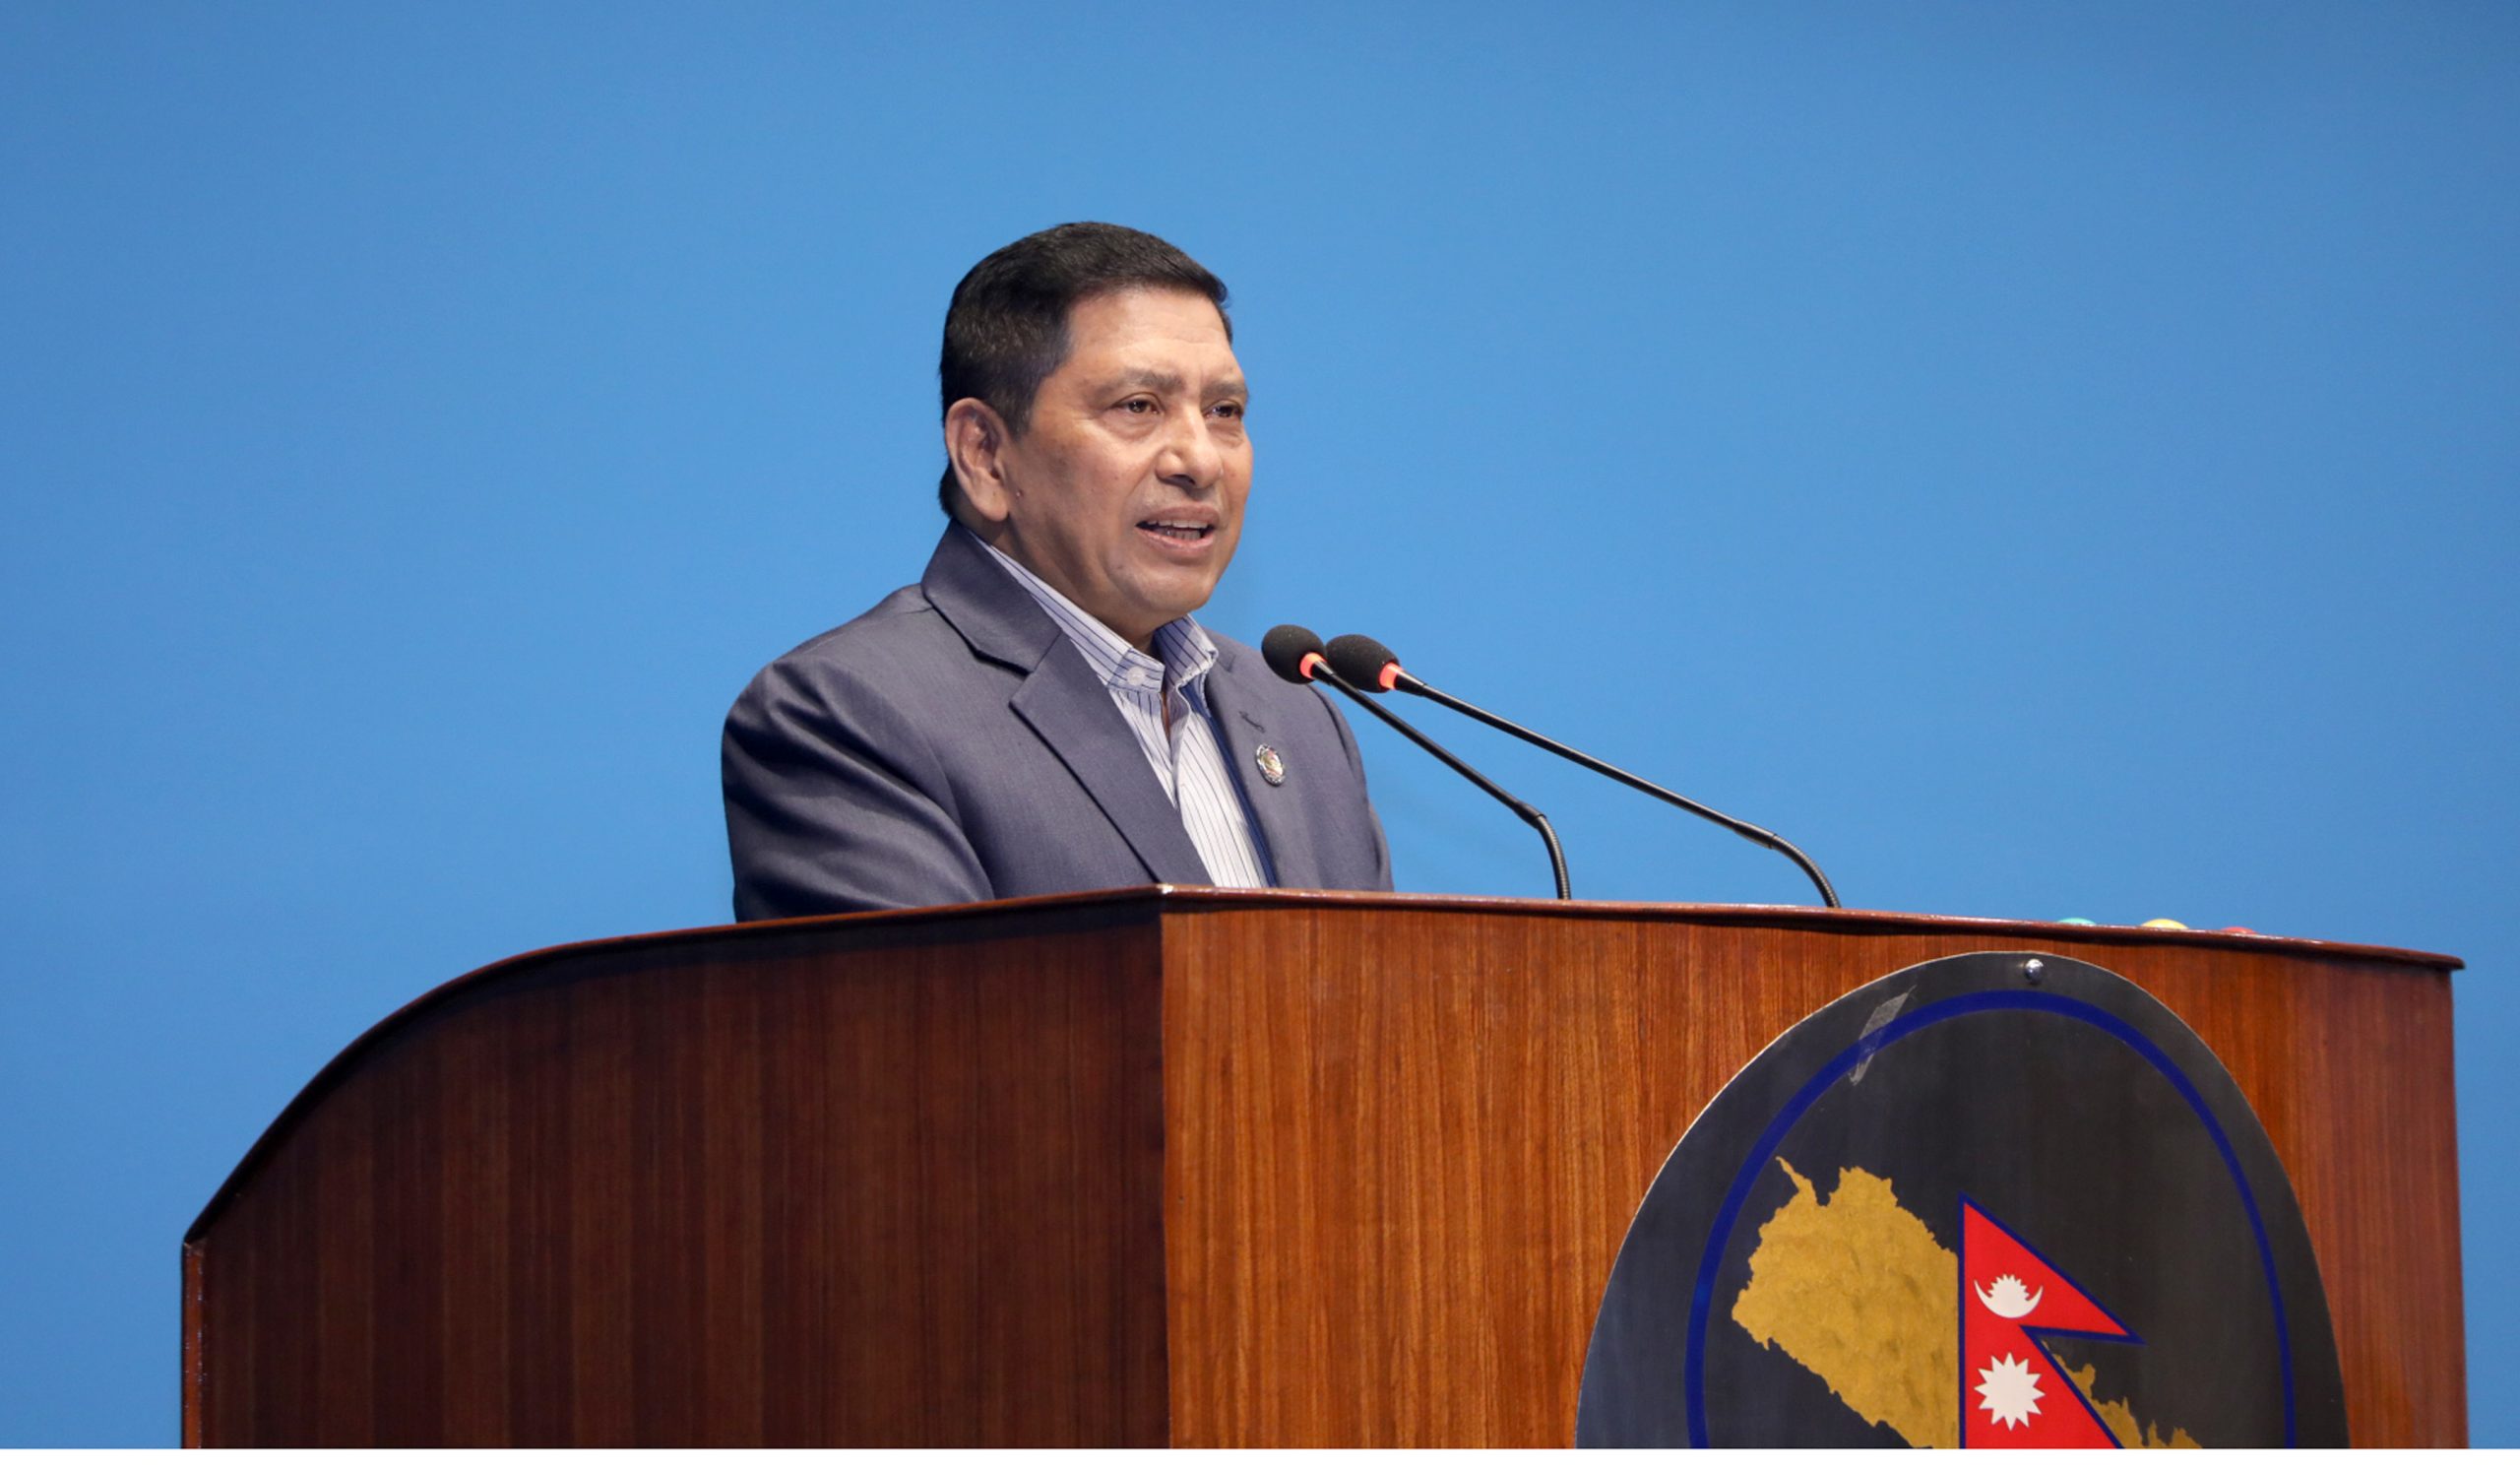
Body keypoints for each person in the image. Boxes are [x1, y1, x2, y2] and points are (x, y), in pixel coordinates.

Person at [722, 223, 1393, 919]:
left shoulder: (1300, 718)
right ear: (985, 455)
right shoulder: (848, 713)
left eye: (1224, 411)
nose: (1200, 460)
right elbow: (917, 995)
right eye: (1138, 407)